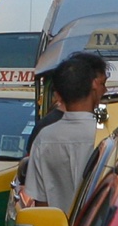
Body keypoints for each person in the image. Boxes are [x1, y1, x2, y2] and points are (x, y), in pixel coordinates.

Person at [21, 52, 107, 210]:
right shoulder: (108, 136)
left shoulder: (44, 137)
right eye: (103, 84)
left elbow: (41, 202)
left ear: (58, 94)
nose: (106, 90)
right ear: (95, 85)